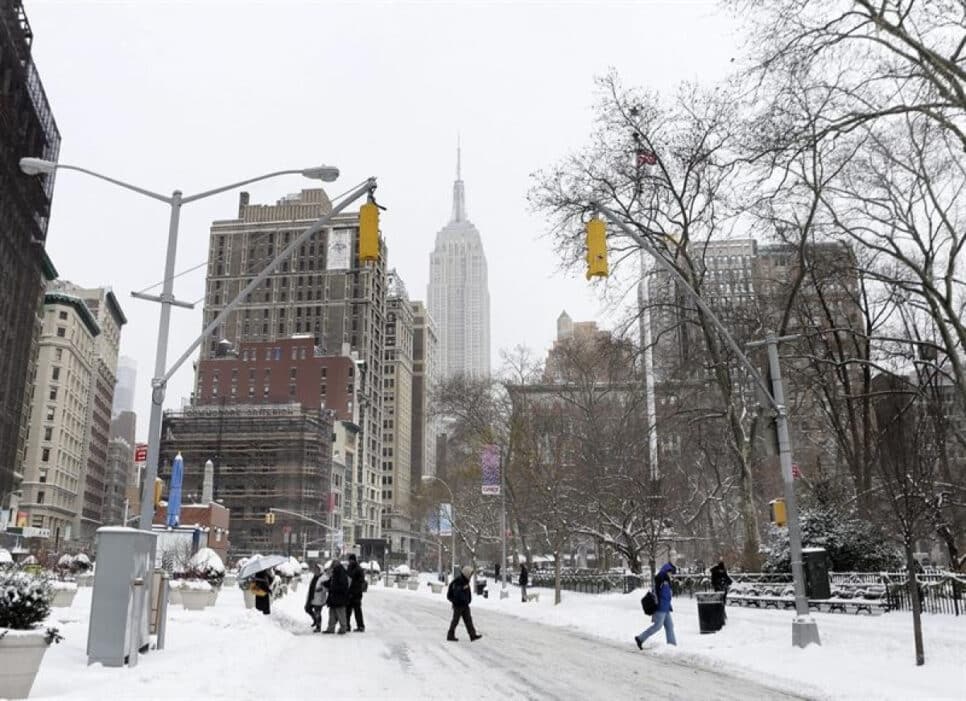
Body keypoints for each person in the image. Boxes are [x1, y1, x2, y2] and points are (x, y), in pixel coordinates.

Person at [634, 562, 677, 649]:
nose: (671, 574)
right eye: (671, 572)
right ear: (667, 571)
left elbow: (667, 594)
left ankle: (672, 646)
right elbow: (656, 592)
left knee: (670, 626)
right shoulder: (660, 578)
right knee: (657, 626)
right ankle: (640, 638)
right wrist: (657, 604)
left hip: (666, 607)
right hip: (660, 607)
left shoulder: (667, 580)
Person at [446, 565, 482, 642]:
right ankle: (450, 635)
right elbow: (457, 593)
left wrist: (468, 600)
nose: (471, 576)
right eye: (470, 574)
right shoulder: (459, 581)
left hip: (465, 604)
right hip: (458, 605)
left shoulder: (465, 581)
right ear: (466, 573)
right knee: (455, 620)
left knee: (468, 620)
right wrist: (462, 590)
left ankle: (472, 635)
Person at [322, 559, 350, 634]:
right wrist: (325, 583)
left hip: (339, 598)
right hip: (334, 597)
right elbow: (331, 582)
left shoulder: (341, 573)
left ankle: (343, 628)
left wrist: (332, 588)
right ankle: (331, 628)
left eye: (333, 566)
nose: (332, 567)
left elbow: (343, 586)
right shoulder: (336, 572)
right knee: (332, 613)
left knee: (340, 614)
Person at [345, 553, 366, 633]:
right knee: (348, 610)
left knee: (357, 610)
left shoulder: (358, 569)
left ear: (353, 560)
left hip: (356, 593)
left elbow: (361, 581)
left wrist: (354, 588)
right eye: (349, 560)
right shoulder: (350, 568)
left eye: (351, 560)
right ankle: (347, 625)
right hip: (350, 593)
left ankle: (360, 626)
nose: (350, 562)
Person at [304, 563, 328, 632]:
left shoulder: (324, 578)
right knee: (307, 608)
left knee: (318, 612)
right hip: (311, 597)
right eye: (315, 569)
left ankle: (318, 627)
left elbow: (327, 588)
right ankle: (315, 620)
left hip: (319, 598)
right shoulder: (314, 577)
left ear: (320, 570)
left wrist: (322, 589)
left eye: (317, 569)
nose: (315, 571)